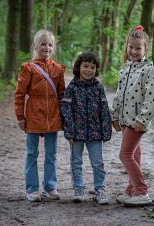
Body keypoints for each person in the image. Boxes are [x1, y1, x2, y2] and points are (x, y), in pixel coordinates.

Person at [14, 30, 65, 202]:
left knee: (51, 154)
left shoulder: (57, 68)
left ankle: (50, 187)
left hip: (53, 116)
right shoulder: (28, 68)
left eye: (50, 44)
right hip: (34, 114)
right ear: (35, 46)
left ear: (54, 48)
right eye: (43, 44)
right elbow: (19, 94)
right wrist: (20, 117)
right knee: (31, 153)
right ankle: (32, 188)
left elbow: (62, 95)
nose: (47, 47)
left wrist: (64, 118)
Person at [111, 25, 154, 206]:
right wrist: (114, 116)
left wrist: (142, 120)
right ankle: (130, 190)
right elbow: (118, 94)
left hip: (137, 121)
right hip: (124, 120)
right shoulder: (125, 69)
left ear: (146, 49)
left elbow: (151, 98)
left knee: (125, 155)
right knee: (134, 154)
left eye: (138, 48)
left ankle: (141, 191)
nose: (133, 51)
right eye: (131, 47)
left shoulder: (149, 71)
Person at [60, 52, 112, 205]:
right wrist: (69, 130)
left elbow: (104, 109)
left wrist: (106, 130)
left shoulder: (98, 88)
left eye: (92, 67)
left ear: (96, 69)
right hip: (76, 132)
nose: (89, 70)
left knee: (98, 162)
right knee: (76, 161)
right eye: (85, 66)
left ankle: (100, 190)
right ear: (79, 67)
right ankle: (78, 188)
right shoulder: (72, 87)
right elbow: (66, 109)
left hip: (95, 133)